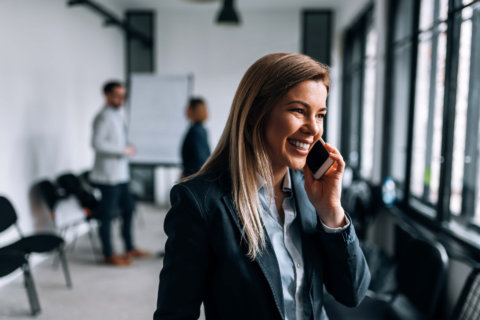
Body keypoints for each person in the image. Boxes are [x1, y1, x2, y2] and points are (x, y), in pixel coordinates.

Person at [153, 54, 370, 319]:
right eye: (298, 111)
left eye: (320, 114)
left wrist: (332, 212)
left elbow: (352, 293)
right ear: (256, 113)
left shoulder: (311, 193)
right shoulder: (201, 202)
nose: (313, 129)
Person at [90, 80, 149, 266]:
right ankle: (108, 254)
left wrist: (127, 147)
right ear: (107, 95)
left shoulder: (118, 114)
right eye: (117, 95)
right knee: (107, 216)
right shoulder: (102, 117)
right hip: (108, 177)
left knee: (129, 209)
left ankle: (129, 247)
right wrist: (123, 150)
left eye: (123, 95)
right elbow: (96, 144)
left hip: (121, 175)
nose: (121, 99)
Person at [181, 97, 211, 177]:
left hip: (193, 178)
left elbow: (200, 160)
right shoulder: (201, 129)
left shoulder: (196, 131)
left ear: (193, 110)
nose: (185, 110)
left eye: (188, 108)